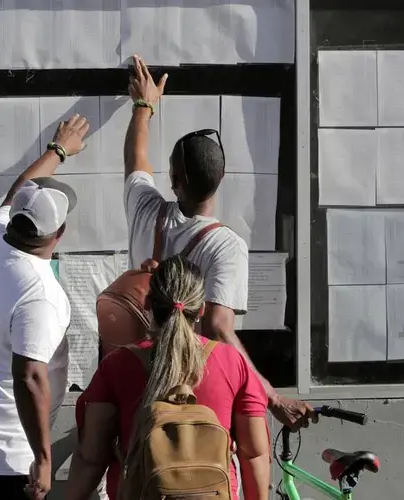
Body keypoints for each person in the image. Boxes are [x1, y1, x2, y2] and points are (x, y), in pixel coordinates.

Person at [122, 54, 316, 430]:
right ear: (222, 178)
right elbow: (219, 329)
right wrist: (271, 397)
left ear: (174, 180)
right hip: (193, 387)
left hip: (139, 372)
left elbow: (135, 160)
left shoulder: (145, 211)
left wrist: (143, 106)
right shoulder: (226, 246)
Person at [0, 114, 90, 500]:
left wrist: (58, 150)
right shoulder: (40, 293)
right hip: (6, 465)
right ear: (58, 234)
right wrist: (43, 458)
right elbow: (29, 376)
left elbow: (18, 191)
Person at [66, 256, 272, 500]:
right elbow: (254, 454)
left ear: (148, 304)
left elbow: (91, 458)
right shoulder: (232, 362)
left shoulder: (118, 365)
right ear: (202, 309)